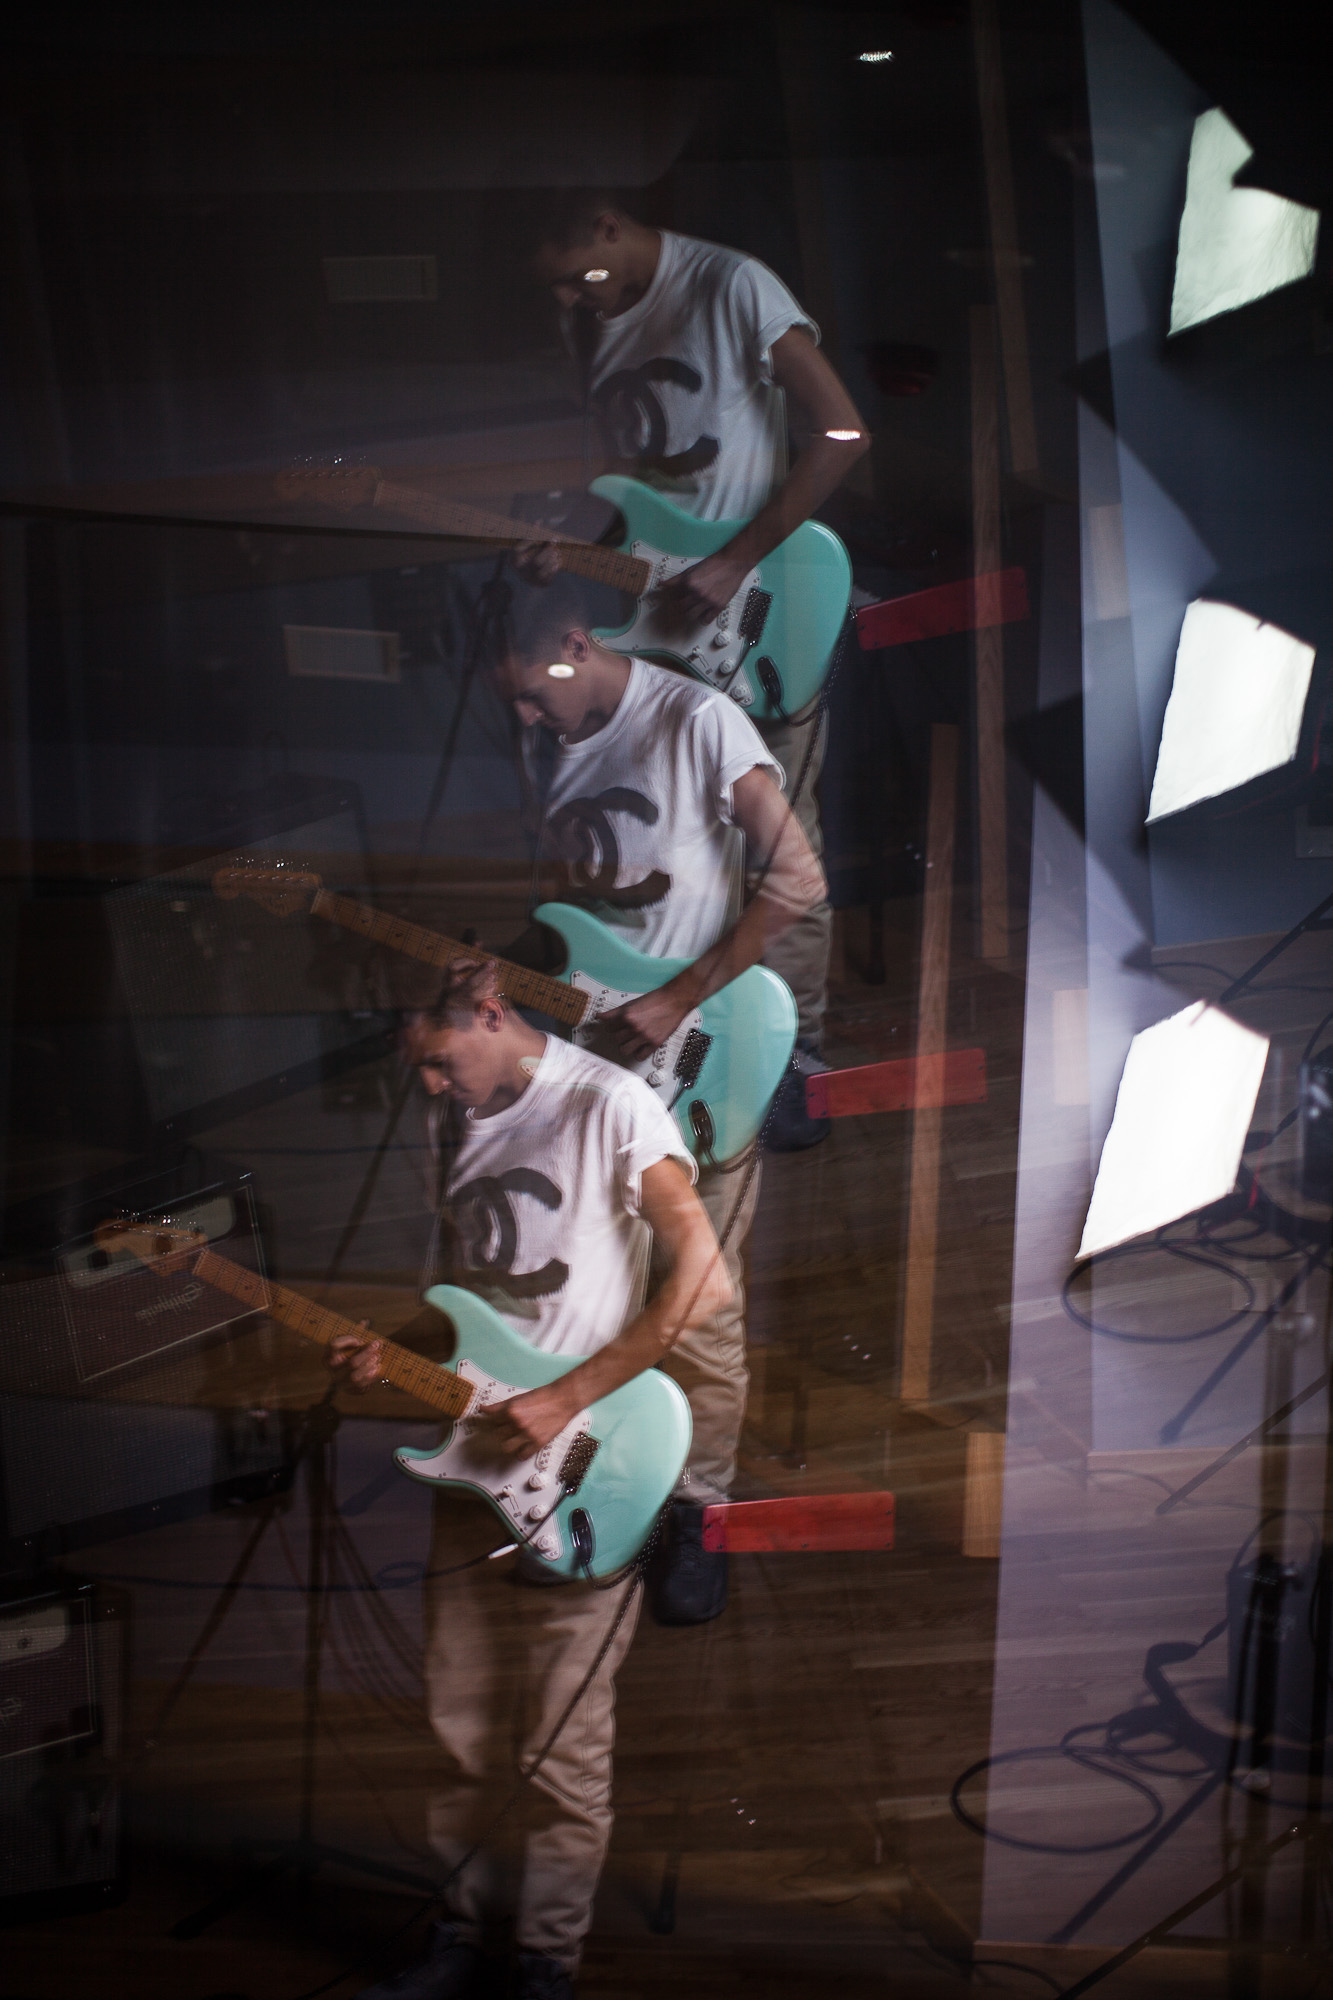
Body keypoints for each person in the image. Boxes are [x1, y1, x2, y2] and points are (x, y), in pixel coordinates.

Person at [333, 958, 729, 2000]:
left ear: (490, 1012)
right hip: (468, 1468)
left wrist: (565, 1399)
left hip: (588, 1464)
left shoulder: (611, 1104)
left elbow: (704, 1278)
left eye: (437, 1060)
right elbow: (486, 1296)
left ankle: (545, 1964)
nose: (429, 1086)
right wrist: (396, 1351)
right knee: (456, 1729)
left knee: (560, 1747)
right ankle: (459, 1938)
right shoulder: (453, 1121)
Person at [493, 578, 826, 1625]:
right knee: (593, 1292)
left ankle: (698, 1511)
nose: (524, 718)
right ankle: (609, 1489)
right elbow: (584, 910)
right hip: (592, 1078)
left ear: (574, 643)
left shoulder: (696, 720)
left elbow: (799, 878)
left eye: (531, 693)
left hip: (699, 1064)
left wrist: (680, 997)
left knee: (698, 1306)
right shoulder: (550, 747)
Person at [525, 188, 871, 1146]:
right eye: (553, 289)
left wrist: (734, 560)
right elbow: (643, 490)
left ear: (605, 221)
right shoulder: (594, 328)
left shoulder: (731, 286)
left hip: (757, 614)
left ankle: (793, 1056)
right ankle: (711, 1057)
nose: (568, 301)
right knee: (683, 843)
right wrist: (570, 549)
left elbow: (843, 432)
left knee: (778, 845)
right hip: (658, 629)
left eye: (575, 277)